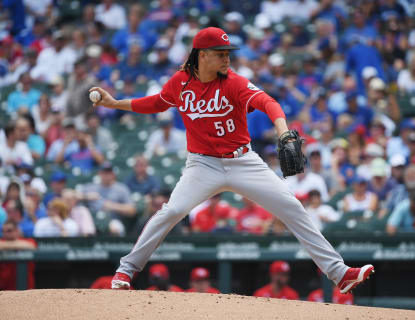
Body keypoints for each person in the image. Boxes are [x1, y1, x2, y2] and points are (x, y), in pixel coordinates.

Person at [91, 27, 373, 291]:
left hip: (243, 161)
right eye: (220, 54)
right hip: (202, 165)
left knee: (291, 207)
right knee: (172, 211)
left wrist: (283, 131)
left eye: (228, 53)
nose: (228, 58)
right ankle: (126, 270)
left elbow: (269, 103)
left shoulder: (235, 83)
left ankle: (339, 274)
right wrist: (114, 103)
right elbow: (155, 103)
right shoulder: (180, 83)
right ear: (202, 55)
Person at [0, 220, 36, 290]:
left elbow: (31, 246)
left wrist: (6, 246)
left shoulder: (28, 241)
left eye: (9, 231)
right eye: (3, 231)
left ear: (17, 231)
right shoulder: (2, 241)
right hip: (4, 290)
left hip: (26, 289)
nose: (5, 233)